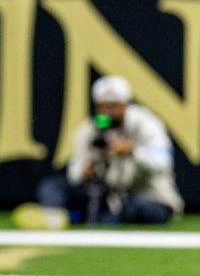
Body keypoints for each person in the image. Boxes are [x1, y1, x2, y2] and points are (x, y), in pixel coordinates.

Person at [14, 76, 183, 229]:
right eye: (103, 107)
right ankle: (55, 216)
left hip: (142, 195)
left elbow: (162, 164)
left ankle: (76, 217)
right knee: (52, 186)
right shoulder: (90, 129)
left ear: (126, 104)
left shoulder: (147, 125)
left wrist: (132, 152)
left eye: (113, 106)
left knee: (144, 210)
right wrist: (85, 172)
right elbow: (74, 172)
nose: (108, 112)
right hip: (104, 195)